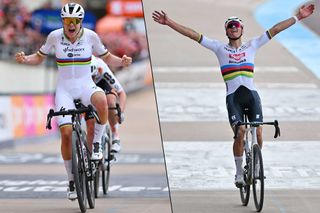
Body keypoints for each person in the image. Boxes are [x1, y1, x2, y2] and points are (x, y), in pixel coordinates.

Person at [152, 4, 314, 187]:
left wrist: (298, 17)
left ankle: (256, 163)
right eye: (230, 26)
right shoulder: (219, 48)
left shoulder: (252, 45)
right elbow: (192, 34)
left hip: (252, 96)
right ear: (226, 30)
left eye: (237, 25)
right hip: (233, 98)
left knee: (258, 131)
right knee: (240, 132)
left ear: (242, 29)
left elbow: (275, 29)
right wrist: (169, 22)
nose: (234, 27)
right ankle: (238, 172)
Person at [15, 2, 132, 200]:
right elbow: (39, 57)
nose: (71, 25)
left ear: (80, 22)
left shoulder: (91, 36)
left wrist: (122, 61)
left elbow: (107, 56)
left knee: (103, 100)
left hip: (86, 86)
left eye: (75, 21)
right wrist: (25, 59)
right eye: (67, 21)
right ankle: (71, 179)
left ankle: (96, 145)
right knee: (67, 134)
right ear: (63, 21)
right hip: (65, 91)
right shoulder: (54, 37)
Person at [86, 55, 127, 153]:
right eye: (89, 77)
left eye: (93, 76)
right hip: (85, 85)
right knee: (90, 125)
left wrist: (120, 111)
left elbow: (121, 93)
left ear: (98, 71)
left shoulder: (102, 67)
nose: (92, 79)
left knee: (110, 101)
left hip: (102, 82)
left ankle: (115, 135)